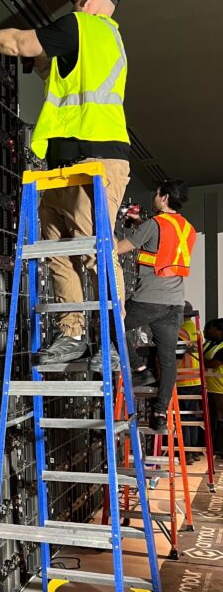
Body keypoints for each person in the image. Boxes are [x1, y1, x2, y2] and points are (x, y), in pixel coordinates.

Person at [0, 0, 130, 366]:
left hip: (96, 159)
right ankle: (72, 332)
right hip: (64, 165)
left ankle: (113, 342)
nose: (74, 5)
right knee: (57, 248)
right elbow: (51, 67)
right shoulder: (97, 41)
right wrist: (40, 58)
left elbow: (18, 42)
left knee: (95, 250)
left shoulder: (83, 25)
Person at [113, 180, 197, 433]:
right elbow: (164, 248)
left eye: (157, 193)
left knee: (111, 324)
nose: (154, 196)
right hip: (174, 303)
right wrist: (140, 225)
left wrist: (112, 230)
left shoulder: (155, 224)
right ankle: (160, 413)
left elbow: (118, 249)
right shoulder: (188, 229)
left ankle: (139, 367)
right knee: (167, 359)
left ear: (164, 197)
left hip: (149, 298)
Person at [176, 305, 204, 450]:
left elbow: (177, 355)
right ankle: (193, 449)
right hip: (196, 379)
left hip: (183, 380)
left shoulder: (181, 330)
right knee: (192, 416)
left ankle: (186, 450)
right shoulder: (197, 329)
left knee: (185, 418)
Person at [204, 319, 223, 455]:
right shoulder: (210, 344)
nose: (208, 331)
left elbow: (212, 364)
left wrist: (199, 360)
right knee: (212, 419)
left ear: (219, 330)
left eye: (211, 329)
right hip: (208, 388)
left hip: (220, 389)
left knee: (221, 419)